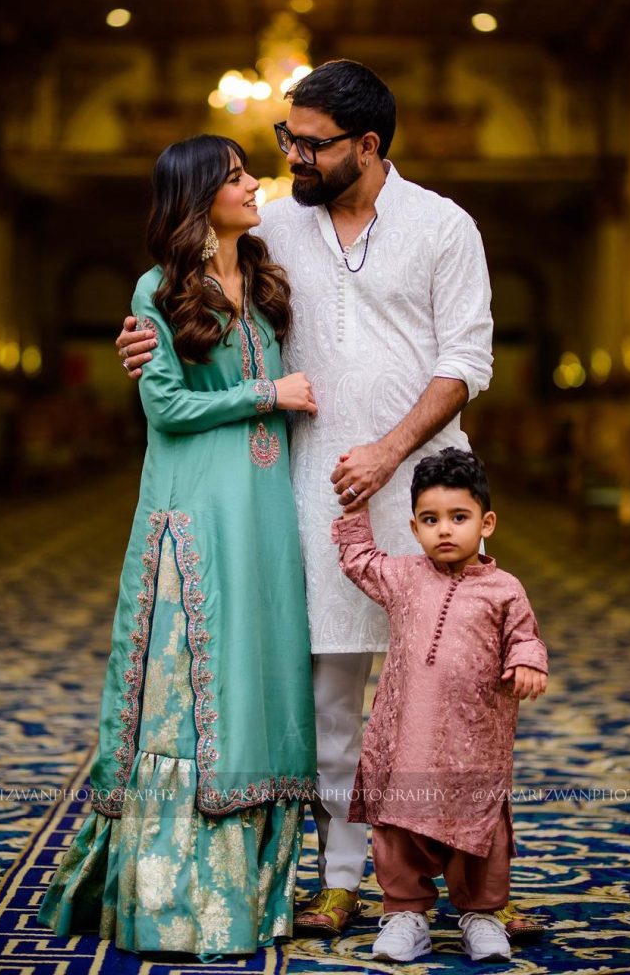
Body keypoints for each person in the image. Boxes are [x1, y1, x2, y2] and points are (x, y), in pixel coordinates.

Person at [117, 59, 542, 942]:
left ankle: (472, 883)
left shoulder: (442, 225)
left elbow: (468, 359)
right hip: (308, 493)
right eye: (285, 140)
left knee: (454, 695)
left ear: (367, 145)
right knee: (331, 697)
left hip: (426, 497)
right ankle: (345, 880)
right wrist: (146, 336)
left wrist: (391, 452)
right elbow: (205, 297)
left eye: (308, 145)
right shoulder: (274, 224)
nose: (290, 158)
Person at [39, 135, 317, 957]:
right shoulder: (158, 289)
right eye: (235, 175)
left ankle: (260, 893)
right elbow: (164, 408)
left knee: (260, 673)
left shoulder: (264, 276)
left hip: (266, 506)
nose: (252, 182)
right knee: (199, 682)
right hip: (194, 508)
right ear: (197, 195)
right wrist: (269, 392)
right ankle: (177, 897)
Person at [332, 449, 548, 963]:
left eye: (459, 517)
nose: (444, 530)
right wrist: (355, 507)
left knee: (479, 830)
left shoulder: (504, 590)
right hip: (407, 740)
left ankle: (481, 915)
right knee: (398, 827)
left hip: (475, 745)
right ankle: (406, 914)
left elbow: (525, 637)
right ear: (413, 526)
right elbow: (358, 560)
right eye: (430, 520)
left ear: (486, 522)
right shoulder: (403, 576)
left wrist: (528, 662)